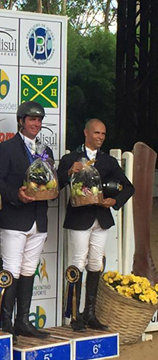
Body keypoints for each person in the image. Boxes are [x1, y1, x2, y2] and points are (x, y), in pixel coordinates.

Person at [57, 118, 134, 331]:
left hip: (101, 218)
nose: (100, 137)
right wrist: (69, 171)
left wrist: (114, 201)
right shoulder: (71, 158)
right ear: (86, 133)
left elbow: (128, 187)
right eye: (96, 133)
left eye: (103, 134)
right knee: (77, 263)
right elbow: (56, 183)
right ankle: (73, 315)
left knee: (95, 264)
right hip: (79, 218)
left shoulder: (108, 162)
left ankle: (89, 313)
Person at [0, 101, 52, 342]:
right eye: (31, 119)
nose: (36, 124)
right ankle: (5, 324)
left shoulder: (46, 151)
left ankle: (23, 321)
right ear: (21, 121)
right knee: (12, 271)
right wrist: (16, 194)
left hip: (38, 218)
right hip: (14, 218)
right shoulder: (5, 148)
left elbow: (50, 181)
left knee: (28, 271)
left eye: (39, 120)